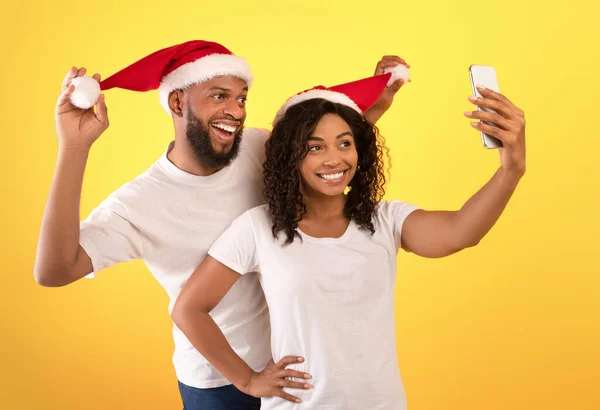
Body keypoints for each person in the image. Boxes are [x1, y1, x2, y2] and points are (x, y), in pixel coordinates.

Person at [33, 39, 408, 409]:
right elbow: (54, 270)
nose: (236, 110)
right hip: (217, 385)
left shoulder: (257, 149)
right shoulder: (139, 204)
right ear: (178, 102)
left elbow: (321, 156)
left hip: (292, 371)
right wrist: (74, 148)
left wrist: (372, 107)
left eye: (241, 98)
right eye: (219, 96)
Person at [171, 72, 527, 409]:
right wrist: (247, 381)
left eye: (345, 143)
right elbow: (189, 309)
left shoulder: (383, 220)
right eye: (315, 147)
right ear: (289, 157)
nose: (334, 158)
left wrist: (511, 169)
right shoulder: (259, 227)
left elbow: (460, 232)